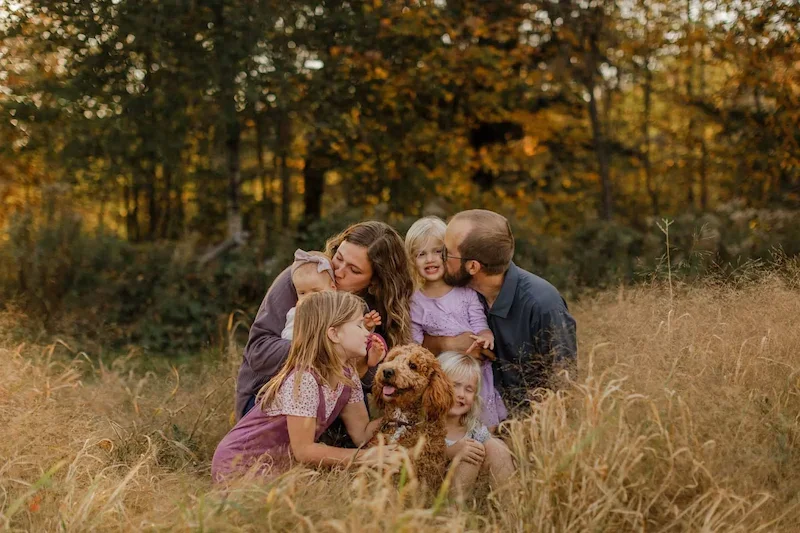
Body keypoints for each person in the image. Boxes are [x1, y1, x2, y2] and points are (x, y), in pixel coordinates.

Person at [212, 291, 397, 482]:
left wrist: (400, 415)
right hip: (240, 463)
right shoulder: (305, 380)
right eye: (359, 325)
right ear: (334, 334)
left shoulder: (347, 376)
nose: (368, 332)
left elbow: (362, 434)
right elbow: (304, 450)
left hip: (279, 467)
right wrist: (365, 458)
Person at [236, 221, 414, 420]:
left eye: (354, 270)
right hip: (267, 394)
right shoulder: (304, 279)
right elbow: (259, 351)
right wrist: (327, 351)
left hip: (336, 400)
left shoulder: (375, 309)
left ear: (375, 281)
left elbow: (376, 376)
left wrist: (365, 361)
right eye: (339, 258)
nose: (338, 271)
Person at [423, 209, 577, 412]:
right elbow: (414, 345)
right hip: (469, 427)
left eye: (446, 253)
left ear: (473, 267)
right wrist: (447, 343)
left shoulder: (543, 306)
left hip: (528, 430)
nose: (440, 259)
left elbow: (564, 386)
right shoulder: (454, 292)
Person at [404, 216, 507, 430]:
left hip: (475, 370)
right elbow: (414, 346)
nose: (430, 259)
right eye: (421, 254)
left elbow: (480, 321)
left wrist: (486, 335)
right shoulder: (415, 301)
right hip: (445, 374)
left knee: (484, 424)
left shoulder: (466, 292)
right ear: (412, 260)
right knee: (450, 424)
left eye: (437, 252)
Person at [280, 249, 386, 362]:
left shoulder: (341, 307)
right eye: (302, 293)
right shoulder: (298, 313)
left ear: (332, 289)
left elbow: (351, 329)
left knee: (376, 339)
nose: (308, 297)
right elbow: (288, 335)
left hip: (342, 352)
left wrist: (365, 325)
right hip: (316, 356)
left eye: (316, 291)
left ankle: (371, 357)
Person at [438, 351, 514, 492]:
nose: (461, 395)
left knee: (497, 447)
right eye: (454, 385)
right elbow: (413, 457)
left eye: (469, 389)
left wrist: (496, 448)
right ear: (436, 386)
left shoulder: (472, 429)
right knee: (468, 458)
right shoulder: (425, 424)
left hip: (467, 488)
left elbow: (493, 448)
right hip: (431, 491)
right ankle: (451, 512)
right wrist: (449, 451)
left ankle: (510, 508)